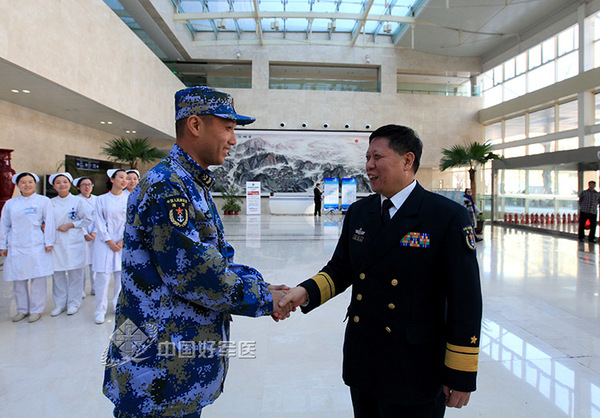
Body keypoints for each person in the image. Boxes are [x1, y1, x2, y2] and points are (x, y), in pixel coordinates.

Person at [102, 86, 293, 417]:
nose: (233, 140)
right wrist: (265, 299)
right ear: (195, 125)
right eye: (228, 128)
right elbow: (196, 275)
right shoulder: (168, 187)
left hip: (167, 360)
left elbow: (216, 258)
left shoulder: (188, 183)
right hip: (156, 372)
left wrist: (262, 288)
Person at [280, 124, 483, 417]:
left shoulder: (445, 216)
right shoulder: (361, 212)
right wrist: (305, 292)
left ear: (407, 160)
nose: (369, 166)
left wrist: (461, 372)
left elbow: (466, 299)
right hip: (364, 359)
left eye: (377, 157)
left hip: (415, 366)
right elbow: (341, 269)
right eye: (367, 158)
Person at [0, 172, 55, 323]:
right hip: (16, 245)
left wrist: (49, 242)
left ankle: (36, 310)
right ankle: (22, 309)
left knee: (38, 278)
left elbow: (50, 222)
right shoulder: (11, 204)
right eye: (23, 182)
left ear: (35, 183)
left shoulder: (43, 201)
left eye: (30, 182)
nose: (27, 185)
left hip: (36, 245)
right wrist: (2, 245)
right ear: (18, 185)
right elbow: (4, 225)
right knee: (18, 279)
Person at [49, 172, 92, 316]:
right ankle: (60, 304)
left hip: (74, 241)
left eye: (65, 182)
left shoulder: (78, 201)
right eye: (58, 182)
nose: (62, 184)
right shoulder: (50, 203)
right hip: (56, 242)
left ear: (70, 184)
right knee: (58, 274)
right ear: (54, 186)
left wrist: (71, 225)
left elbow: (87, 219)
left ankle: (74, 302)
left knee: (76, 273)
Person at [92, 168, 128, 324]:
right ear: (112, 180)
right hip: (104, 243)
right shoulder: (101, 199)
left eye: (126, 178)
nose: (124, 180)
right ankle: (100, 310)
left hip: (122, 244)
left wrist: (121, 240)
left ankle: (117, 306)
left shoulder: (129, 198)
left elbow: (130, 221)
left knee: (121, 279)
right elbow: (99, 221)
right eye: (121, 177)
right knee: (102, 279)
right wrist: (109, 240)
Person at [74, 176, 97, 297]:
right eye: (84, 185)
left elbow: (100, 218)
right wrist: (84, 233)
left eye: (89, 184)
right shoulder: (75, 200)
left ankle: (94, 288)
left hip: (95, 236)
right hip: (80, 236)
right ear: (78, 187)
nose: (87, 187)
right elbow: (75, 219)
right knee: (81, 265)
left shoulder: (97, 200)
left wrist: (94, 232)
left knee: (95, 264)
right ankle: (80, 290)